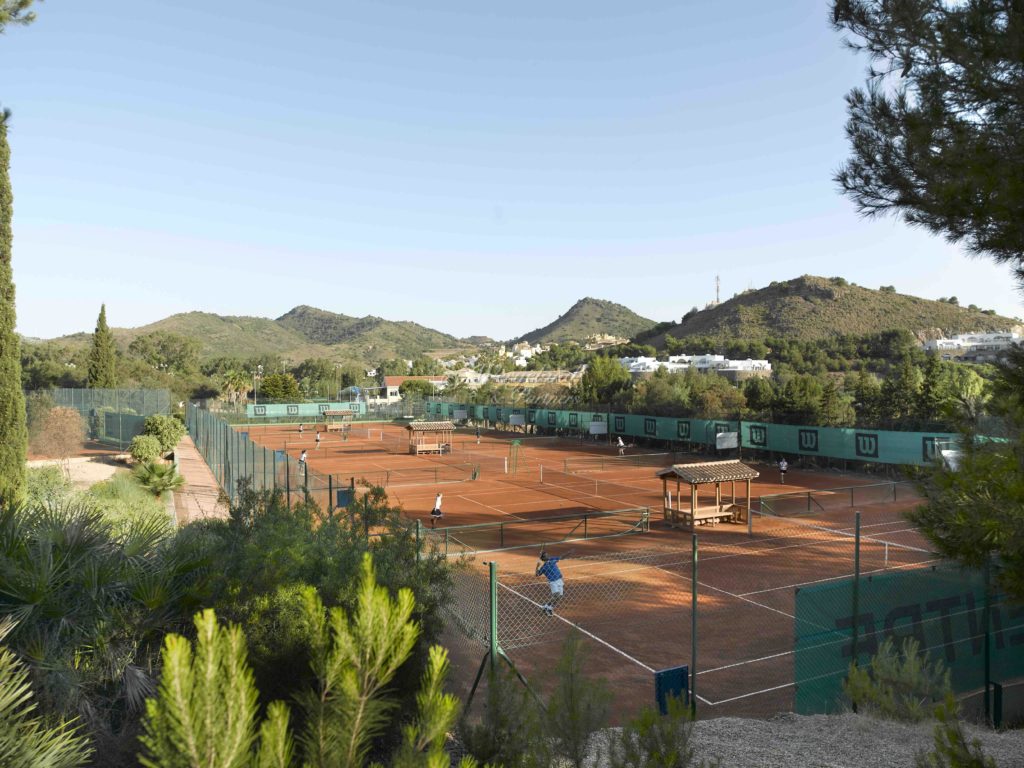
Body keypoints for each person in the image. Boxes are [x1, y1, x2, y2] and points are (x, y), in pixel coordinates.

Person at [536, 550, 567, 616]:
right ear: (543, 558)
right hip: (553, 582)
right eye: (546, 555)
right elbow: (537, 574)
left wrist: (568, 553)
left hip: (559, 580)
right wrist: (537, 566)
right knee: (556, 595)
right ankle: (548, 609)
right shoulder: (543, 567)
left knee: (559, 596)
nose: (548, 556)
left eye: (548, 554)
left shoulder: (552, 559)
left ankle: (547, 607)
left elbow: (561, 557)